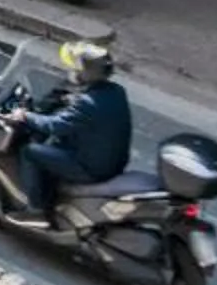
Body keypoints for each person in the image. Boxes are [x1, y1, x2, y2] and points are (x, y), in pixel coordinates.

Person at [15, 41, 134, 223]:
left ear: (85, 72)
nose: (72, 71)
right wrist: (71, 99)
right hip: (114, 162)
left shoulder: (87, 103)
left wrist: (25, 116)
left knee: (30, 151)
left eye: (76, 68)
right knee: (57, 144)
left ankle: (36, 210)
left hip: (91, 168)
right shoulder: (117, 91)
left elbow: (55, 126)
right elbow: (92, 115)